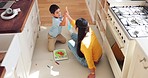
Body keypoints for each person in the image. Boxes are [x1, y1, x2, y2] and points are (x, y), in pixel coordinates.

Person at [66, 10, 102, 78]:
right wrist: (68, 16)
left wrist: (92, 72)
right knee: (73, 35)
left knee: (70, 43)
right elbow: (75, 24)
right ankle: (73, 37)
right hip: (99, 54)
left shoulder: (85, 44)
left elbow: (89, 59)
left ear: (78, 28)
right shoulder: (89, 29)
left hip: (93, 61)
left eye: (76, 27)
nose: (75, 27)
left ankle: (91, 69)